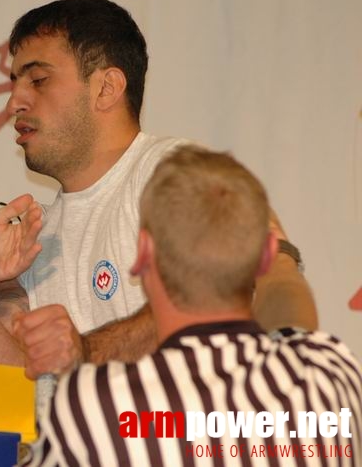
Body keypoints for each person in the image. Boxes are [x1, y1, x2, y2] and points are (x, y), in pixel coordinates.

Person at [0, 0, 316, 384]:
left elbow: (243, 289)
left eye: (38, 80)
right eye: (14, 82)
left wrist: (88, 351)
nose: (14, 102)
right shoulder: (35, 236)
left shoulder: (175, 170)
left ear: (107, 88)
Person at [20, 146, 361, 466]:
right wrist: (279, 255)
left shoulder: (97, 403)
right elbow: (290, 311)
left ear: (143, 254)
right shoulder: (332, 376)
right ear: (265, 257)